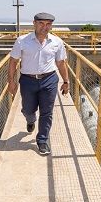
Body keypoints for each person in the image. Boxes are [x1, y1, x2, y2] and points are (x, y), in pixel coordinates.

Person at [8, 12, 69, 155]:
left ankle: (42, 140)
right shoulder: (22, 41)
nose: (44, 27)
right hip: (27, 80)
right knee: (28, 109)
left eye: (48, 24)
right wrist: (11, 81)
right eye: (41, 23)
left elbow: (61, 63)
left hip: (49, 80)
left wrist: (66, 81)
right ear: (34, 23)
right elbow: (13, 61)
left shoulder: (57, 42)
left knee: (47, 112)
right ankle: (30, 119)